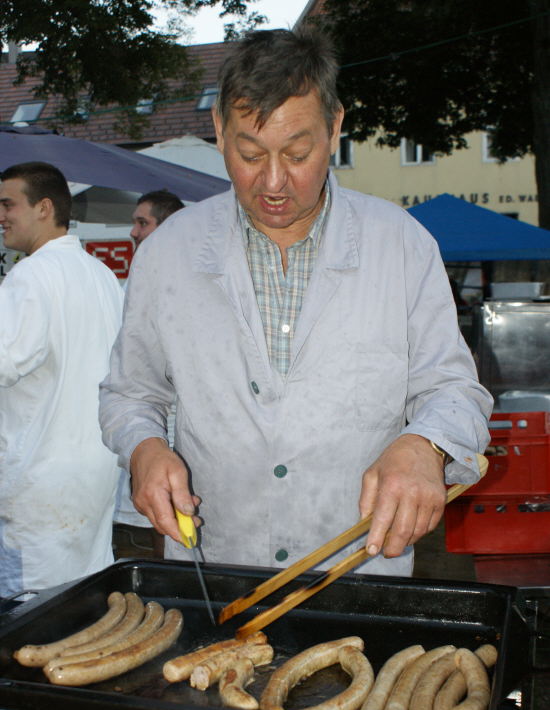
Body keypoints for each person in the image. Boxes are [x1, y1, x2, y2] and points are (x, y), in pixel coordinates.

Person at [99, 27, 492, 577]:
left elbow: (454, 390)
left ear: (335, 126)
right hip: (216, 568)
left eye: (298, 153)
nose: (273, 182)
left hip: (360, 568)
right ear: (219, 129)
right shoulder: (168, 252)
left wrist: (426, 445)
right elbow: (130, 393)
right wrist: (144, 447)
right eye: (250, 154)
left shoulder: (401, 244)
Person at [0, 161, 124, 595]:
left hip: (39, 484)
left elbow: (4, 362)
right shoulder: (102, 275)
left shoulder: (30, 276)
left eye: (8, 204)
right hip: (95, 474)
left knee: (29, 613)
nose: (1, 216)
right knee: (83, 602)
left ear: (44, 207)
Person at [114, 189, 184, 556]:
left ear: (169, 227)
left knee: (168, 540)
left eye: (143, 223)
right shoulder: (136, 282)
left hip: (177, 444)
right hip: (143, 441)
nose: (133, 232)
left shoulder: (192, 284)